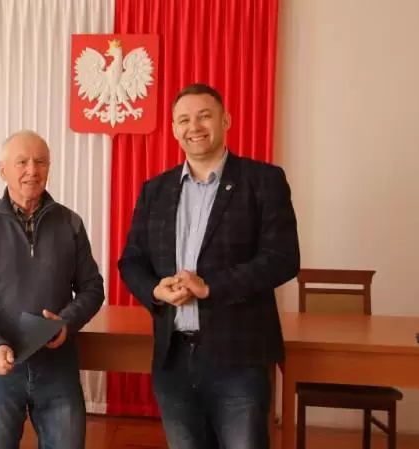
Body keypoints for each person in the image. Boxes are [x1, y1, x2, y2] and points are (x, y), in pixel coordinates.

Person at [118, 83, 300, 449]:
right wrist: (155, 290)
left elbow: (283, 259)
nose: (194, 127)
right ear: (174, 129)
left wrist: (211, 287)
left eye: (204, 116)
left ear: (225, 120)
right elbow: (132, 260)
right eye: (184, 120)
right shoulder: (155, 190)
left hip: (240, 361)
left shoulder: (263, 181)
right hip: (173, 359)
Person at [0, 130, 105, 449]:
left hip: (58, 369)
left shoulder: (71, 223)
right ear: (2, 169)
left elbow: (92, 288)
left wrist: (67, 322)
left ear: (49, 167)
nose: (32, 170)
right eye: (21, 162)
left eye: (41, 162)